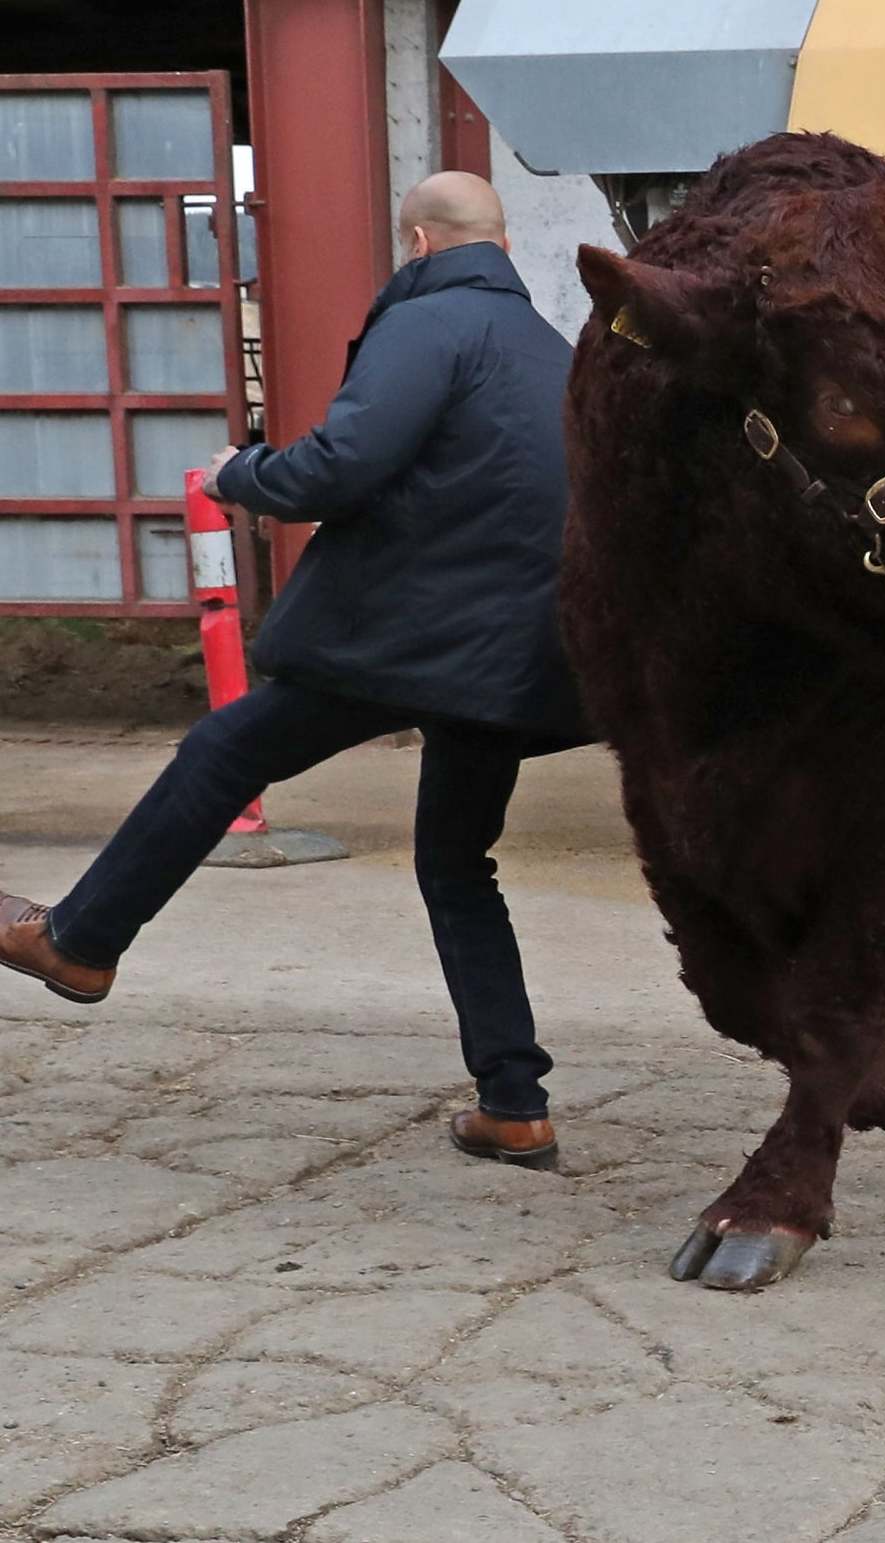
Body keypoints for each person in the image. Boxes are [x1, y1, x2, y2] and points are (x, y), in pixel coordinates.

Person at [0, 171, 586, 1168]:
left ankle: (83, 941)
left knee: (227, 746)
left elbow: (343, 462)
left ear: (416, 240)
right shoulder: (554, 353)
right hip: (517, 653)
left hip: (412, 637)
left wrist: (242, 474)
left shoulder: (429, 322)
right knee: (455, 861)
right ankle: (513, 1100)